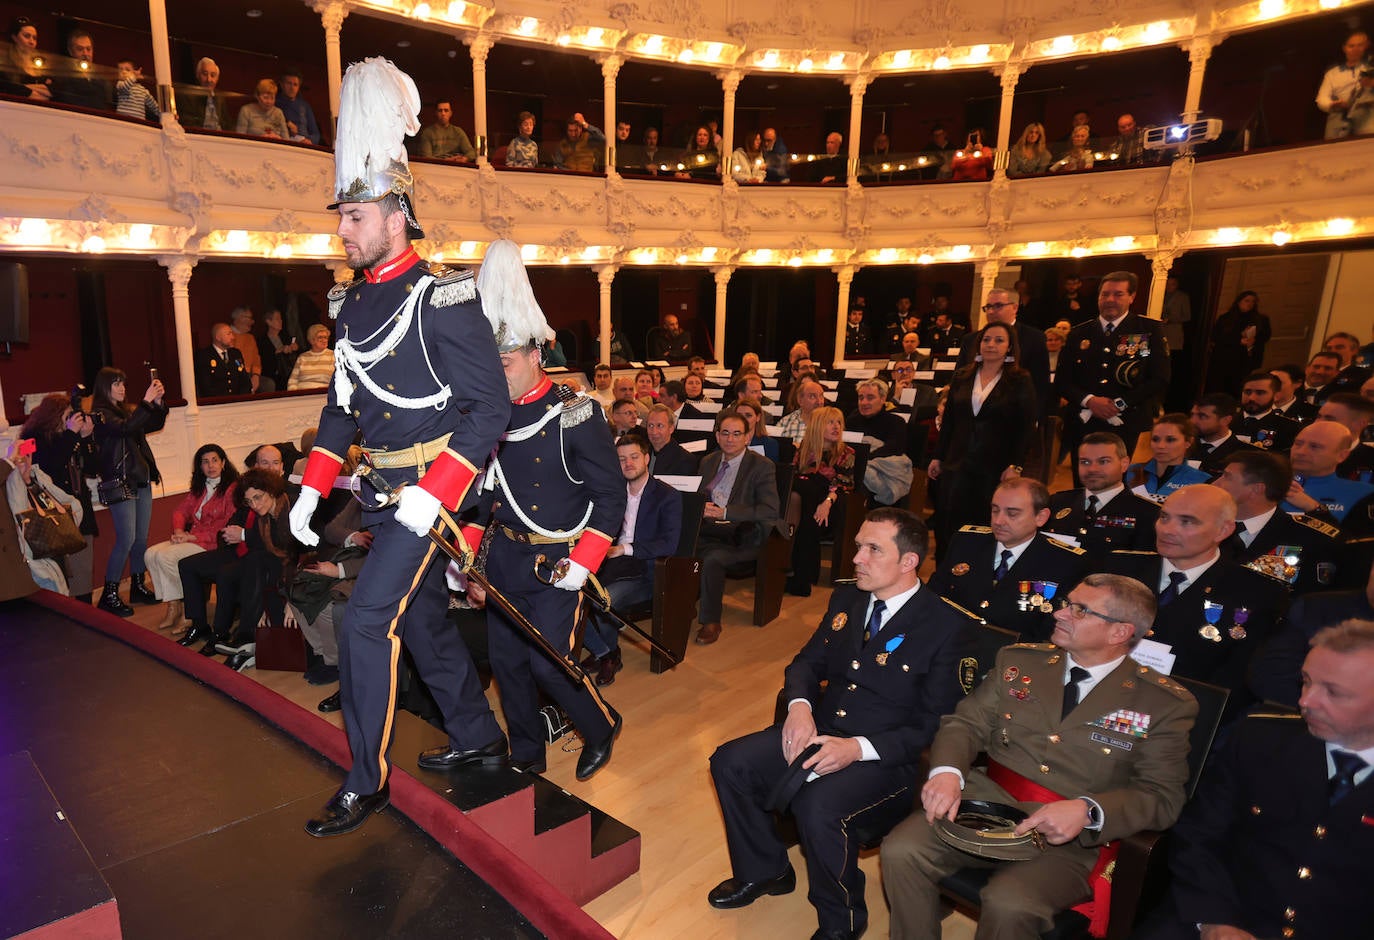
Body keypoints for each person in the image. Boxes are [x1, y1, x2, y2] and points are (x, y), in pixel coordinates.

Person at [285, 58, 511, 838]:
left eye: (354, 215)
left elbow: (492, 408)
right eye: (341, 216)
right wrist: (313, 488)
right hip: (383, 493)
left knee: (362, 622)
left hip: (430, 498)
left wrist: (439, 488)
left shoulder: (443, 296)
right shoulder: (350, 304)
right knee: (419, 625)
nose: (342, 229)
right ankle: (480, 736)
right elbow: (343, 405)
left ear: (396, 213)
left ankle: (366, 779)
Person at [880, 573, 1198, 939]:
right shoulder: (1020, 662)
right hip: (983, 807)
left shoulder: (1162, 703)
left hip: (1068, 841)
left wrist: (1088, 810)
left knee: (1011, 903)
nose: (1060, 614)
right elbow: (966, 722)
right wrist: (948, 771)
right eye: (1067, 603)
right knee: (901, 849)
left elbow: (1162, 795)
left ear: (1119, 633)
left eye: (1080, 610)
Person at [709, 509, 974, 940]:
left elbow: (935, 725)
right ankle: (767, 871)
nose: (857, 558)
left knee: (819, 808)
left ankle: (841, 923)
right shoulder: (848, 598)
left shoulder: (946, 627)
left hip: (886, 760)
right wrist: (799, 707)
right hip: (820, 732)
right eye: (857, 547)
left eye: (873, 550)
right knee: (730, 762)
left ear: (908, 562)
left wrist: (856, 749)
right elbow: (807, 663)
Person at [456, 238, 626, 779]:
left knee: (548, 662)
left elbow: (611, 495)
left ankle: (600, 725)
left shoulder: (574, 413)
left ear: (535, 354)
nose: (495, 374)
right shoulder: (488, 417)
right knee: (507, 664)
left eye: (503, 363)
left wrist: (585, 562)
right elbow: (482, 495)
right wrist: (471, 558)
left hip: (558, 561)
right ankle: (527, 752)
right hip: (505, 557)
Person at [1136, 619, 1374, 940]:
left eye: (1333, 692)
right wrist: (1215, 921)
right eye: (1305, 681)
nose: (1306, 701)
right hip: (1219, 918)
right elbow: (1199, 836)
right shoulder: (1261, 738)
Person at [1101, 484, 1288, 710]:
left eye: (1187, 522)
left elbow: (1236, 681)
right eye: (1164, 517)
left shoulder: (1254, 593)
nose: (1167, 530)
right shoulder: (1115, 568)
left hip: (1182, 716)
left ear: (1223, 530)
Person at [929, 478, 1090, 641]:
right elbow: (934, 597)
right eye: (995, 510)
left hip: (1016, 658)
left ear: (1041, 517)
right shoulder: (966, 542)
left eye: (1012, 513)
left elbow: (1053, 629)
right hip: (952, 644)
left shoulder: (1065, 562)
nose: (998, 521)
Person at [579, 433, 682, 685]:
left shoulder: (667, 496)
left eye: (634, 457)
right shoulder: (612, 494)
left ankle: (608, 656)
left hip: (646, 570)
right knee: (570, 594)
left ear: (647, 458)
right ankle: (606, 653)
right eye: (622, 459)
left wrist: (623, 549)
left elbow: (668, 544)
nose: (628, 463)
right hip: (612, 564)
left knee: (605, 600)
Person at [929, 322, 1037, 552]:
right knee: (947, 521)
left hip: (994, 464)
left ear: (1009, 347)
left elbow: (1025, 428)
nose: (991, 345)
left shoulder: (1020, 380)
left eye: (999, 340)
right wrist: (938, 456)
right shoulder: (962, 376)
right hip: (956, 461)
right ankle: (945, 574)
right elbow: (949, 422)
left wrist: (1015, 465)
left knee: (983, 522)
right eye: (987, 339)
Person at [1058, 272, 1170, 477]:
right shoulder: (1079, 333)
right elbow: (1063, 380)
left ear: (1132, 297)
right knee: (1083, 480)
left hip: (1126, 421)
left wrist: (1117, 404)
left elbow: (1159, 377)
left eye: (1118, 294)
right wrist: (1090, 401)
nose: (1110, 300)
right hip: (1084, 421)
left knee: (1118, 480)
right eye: (1105, 294)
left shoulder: (1147, 329)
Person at [694, 412, 780, 645]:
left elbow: (769, 511)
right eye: (725, 433)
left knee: (711, 558)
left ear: (748, 437)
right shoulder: (708, 461)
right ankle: (678, 606)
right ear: (717, 435)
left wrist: (725, 512)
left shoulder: (762, 466)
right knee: (676, 546)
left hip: (742, 535)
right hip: (709, 530)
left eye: (736, 434)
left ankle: (711, 621)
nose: (730, 439)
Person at [92, 366, 167, 616]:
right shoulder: (100, 414)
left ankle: (137, 585)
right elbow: (124, 428)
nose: (122, 388)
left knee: (141, 539)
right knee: (126, 539)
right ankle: (109, 594)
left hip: (141, 479)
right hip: (120, 482)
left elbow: (151, 424)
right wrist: (146, 403)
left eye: (123, 383)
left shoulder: (127, 411)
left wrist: (157, 403)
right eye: (116, 384)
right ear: (105, 387)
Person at [1212, 449, 1340, 595]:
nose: (1215, 484)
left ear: (1256, 489)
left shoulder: (1306, 537)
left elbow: (1308, 600)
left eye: (1227, 477)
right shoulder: (1202, 525)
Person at [142, 444, 240, 633]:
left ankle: (188, 610)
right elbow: (180, 511)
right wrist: (179, 531)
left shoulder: (232, 489)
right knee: (150, 554)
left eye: (214, 460)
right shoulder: (199, 487)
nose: (210, 465)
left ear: (223, 463)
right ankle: (174, 604)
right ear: (199, 467)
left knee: (166, 557)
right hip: (192, 538)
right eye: (205, 462)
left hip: (212, 543)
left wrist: (192, 536)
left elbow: (226, 525)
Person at [20, 392, 99, 603]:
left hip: (79, 511)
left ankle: (87, 620)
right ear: (53, 416)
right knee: (59, 575)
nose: (70, 421)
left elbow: (93, 469)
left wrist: (86, 438)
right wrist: (72, 435)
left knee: (83, 571)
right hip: (52, 515)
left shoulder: (70, 437)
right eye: (66, 417)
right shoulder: (33, 438)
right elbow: (48, 467)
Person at [1044, 432, 1160, 555]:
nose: (1092, 469)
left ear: (1124, 464)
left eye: (1103, 461)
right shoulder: (1056, 502)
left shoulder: (1147, 514)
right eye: (1085, 462)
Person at [785, 407, 855, 597]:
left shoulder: (846, 452)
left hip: (832, 505)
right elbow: (793, 477)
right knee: (801, 493)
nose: (836, 427)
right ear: (817, 426)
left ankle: (799, 575)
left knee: (806, 489)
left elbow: (843, 484)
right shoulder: (804, 450)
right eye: (830, 422)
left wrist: (826, 502)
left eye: (839, 422)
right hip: (809, 508)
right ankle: (803, 577)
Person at [4, 438, 83, 595]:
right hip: (37, 562)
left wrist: (27, 477)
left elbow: (56, 506)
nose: (25, 460)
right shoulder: (11, 488)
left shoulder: (37, 481)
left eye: (27, 456)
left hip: (56, 552)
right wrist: (17, 476)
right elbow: (20, 515)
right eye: (20, 456)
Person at [1282, 419, 1374, 522]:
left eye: (1314, 446)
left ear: (1341, 456)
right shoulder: (1267, 484)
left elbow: (1355, 536)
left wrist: (1314, 508)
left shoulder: (1364, 493)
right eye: (1298, 444)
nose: (1301, 452)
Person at [1127, 413, 1212, 501]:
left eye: (1170, 440)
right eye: (1155, 439)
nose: (1160, 446)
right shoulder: (1129, 472)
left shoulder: (1202, 480)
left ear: (1188, 442)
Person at [1206, 291, 1271, 395]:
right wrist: (1238, 340)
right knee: (1219, 385)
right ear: (1239, 302)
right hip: (1225, 357)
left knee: (1238, 386)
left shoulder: (1260, 319)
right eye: (1247, 301)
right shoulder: (1226, 318)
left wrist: (1254, 340)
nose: (1250, 304)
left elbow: (1265, 336)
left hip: (1244, 359)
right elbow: (1217, 336)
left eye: (1253, 301)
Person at [1316, 30, 1371, 139]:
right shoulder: (1332, 73)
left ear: (1365, 47)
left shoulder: (1370, 69)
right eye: (1351, 46)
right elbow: (1321, 99)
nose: (1355, 49)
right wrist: (1332, 104)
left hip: (1367, 118)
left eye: (1360, 45)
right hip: (1339, 119)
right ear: (1344, 48)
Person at [1187, 393, 1254, 475]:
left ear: (1226, 420)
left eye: (1202, 416)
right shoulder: (1183, 444)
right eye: (1192, 415)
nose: (1192, 421)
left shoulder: (1244, 455)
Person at [1235, 369, 1300, 452]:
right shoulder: (1226, 420)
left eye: (1260, 393)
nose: (1251, 398)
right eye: (1247, 392)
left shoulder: (1288, 428)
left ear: (1276, 396)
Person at [51, 30, 113, 111]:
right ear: (71, 51)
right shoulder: (62, 75)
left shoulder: (101, 80)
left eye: (88, 49)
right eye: (80, 49)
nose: (85, 53)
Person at [1, 17, 51, 100]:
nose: (32, 42)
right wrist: (26, 91)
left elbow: (50, 92)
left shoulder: (42, 64)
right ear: (14, 37)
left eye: (34, 38)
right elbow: (6, 86)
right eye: (27, 36)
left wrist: (24, 87)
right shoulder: (5, 61)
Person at [195, 322, 251, 397]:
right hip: (217, 402)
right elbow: (205, 386)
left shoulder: (235, 353)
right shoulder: (204, 356)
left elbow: (244, 379)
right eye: (228, 334)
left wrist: (242, 397)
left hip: (238, 401)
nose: (233, 337)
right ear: (218, 337)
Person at [644, 404, 698, 477]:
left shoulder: (685, 460)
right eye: (650, 425)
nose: (654, 431)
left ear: (671, 428)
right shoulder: (641, 454)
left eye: (659, 426)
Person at [177, 57, 229, 130]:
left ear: (217, 78)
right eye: (205, 74)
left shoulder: (220, 98)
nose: (209, 79)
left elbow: (226, 125)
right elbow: (188, 124)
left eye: (213, 75)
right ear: (198, 75)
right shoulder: (187, 97)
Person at [275, 68, 321, 144]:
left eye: (295, 84)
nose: (292, 88)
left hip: (304, 143)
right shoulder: (274, 103)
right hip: (284, 142)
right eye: (289, 83)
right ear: (281, 84)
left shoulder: (305, 106)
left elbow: (316, 134)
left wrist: (310, 140)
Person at [261, 308, 300, 390]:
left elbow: (296, 353)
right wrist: (280, 351)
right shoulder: (262, 341)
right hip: (274, 375)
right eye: (277, 319)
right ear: (269, 322)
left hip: (289, 372)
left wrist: (295, 348)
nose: (281, 321)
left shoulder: (285, 337)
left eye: (281, 318)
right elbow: (265, 360)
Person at [287, 323, 334, 390]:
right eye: (320, 337)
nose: (324, 340)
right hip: (302, 395)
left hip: (323, 395)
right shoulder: (302, 357)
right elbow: (292, 381)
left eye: (326, 337)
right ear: (312, 340)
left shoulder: (333, 356)